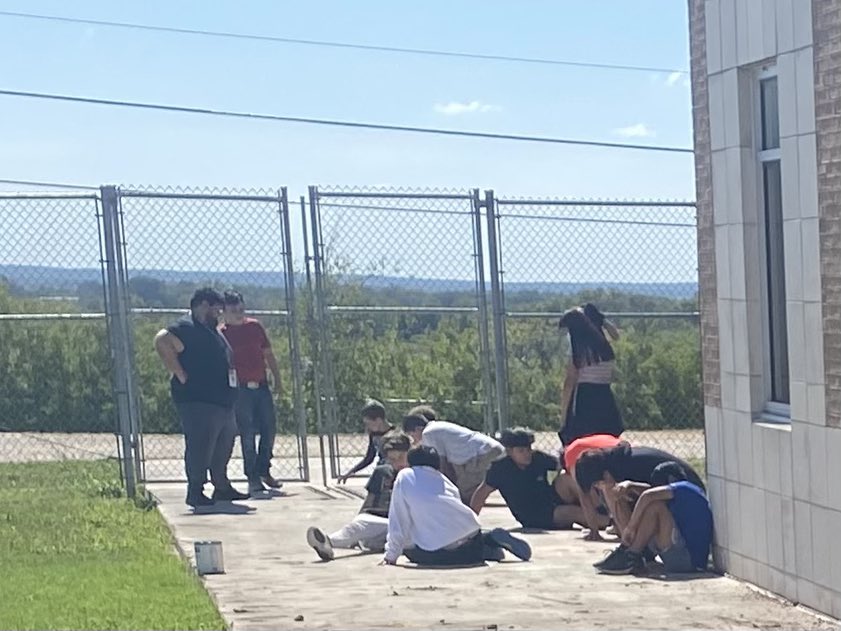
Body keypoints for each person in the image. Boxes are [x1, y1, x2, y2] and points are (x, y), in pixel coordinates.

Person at [153, 287, 248, 507]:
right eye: (216, 309)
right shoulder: (186, 327)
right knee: (200, 445)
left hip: (222, 401)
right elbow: (161, 340)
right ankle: (195, 490)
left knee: (223, 445)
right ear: (203, 305)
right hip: (198, 400)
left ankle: (221, 486)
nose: (219, 313)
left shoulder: (211, 330)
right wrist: (179, 373)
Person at [381, 445, 532, 567]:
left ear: (410, 463)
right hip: (471, 537)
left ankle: (487, 550)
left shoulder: (404, 476)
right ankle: (489, 541)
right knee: (461, 537)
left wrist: (391, 555)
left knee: (411, 550)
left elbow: (398, 519)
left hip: (440, 552)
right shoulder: (444, 480)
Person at [470, 427, 605, 531]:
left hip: (549, 498)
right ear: (510, 451)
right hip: (535, 515)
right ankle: (609, 522)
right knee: (573, 512)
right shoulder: (500, 469)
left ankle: (603, 509)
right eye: (521, 451)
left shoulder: (539, 458)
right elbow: (482, 494)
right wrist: (470, 522)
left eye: (528, 449)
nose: (527, 454)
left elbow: (562, 467)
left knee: (568, 479)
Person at [306, 432, 412, 561]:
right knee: (364, 528)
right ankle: (327, 545)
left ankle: (329, 541)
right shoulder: (382, 472)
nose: (398, 463)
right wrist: (359, 518)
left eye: (401, 457)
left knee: (363, 527)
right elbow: (369, 503)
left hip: (407, 524)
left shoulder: (417, 474)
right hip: (382, 522)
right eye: (393, 459)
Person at [595, 461, 713, 575]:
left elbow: (648, 495)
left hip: (688, 561)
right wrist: (630, 485)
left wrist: (630, 528)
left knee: (656, 506)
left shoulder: (684, 488)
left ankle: (632, 555)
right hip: (683, 556)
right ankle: (635, 552)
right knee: (647, 504)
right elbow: (649, 490)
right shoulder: (685, 493)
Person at [574, 442, 705, 541]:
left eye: (597, 484)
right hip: (676, 494)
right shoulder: (618, 463)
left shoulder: (629, 468)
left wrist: (630, 529)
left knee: (632, 504)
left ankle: (634, 552)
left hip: (690, 501)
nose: (599, 488)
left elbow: (652, 494)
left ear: (604, 474)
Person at [221, 290, 284, 495]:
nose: (238, 314)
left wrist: (278, 379)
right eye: (233, 310)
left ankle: (264, 469)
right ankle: (252, 477)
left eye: (241, 309)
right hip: (240, 390)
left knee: (269, 429)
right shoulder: (222, 333)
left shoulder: (255, 327)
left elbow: (268, 354)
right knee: (247, 434)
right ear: (224, 312)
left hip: (261, 385)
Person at [402, 412, 505, 503]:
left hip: (484, 454)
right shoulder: (436, 427)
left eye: (412, 436)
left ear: (418, 429)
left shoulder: (428, 433)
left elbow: (443, 464)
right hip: (487, 451)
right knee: (463, 491)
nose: (414, 441)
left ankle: (466, 519)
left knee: (464, 492)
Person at [558, 306, 624, 446]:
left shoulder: (579, 351)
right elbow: (616, 335)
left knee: (581, 440)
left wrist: (563, 416)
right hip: (605, 396)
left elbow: (570, 382)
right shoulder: (604, 348)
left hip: (584, 399)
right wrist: (603, 320)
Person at [337, 399, 395, 483]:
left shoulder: (395, 434)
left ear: (378, 420)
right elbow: (369, 457)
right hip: (381, 470)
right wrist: (350, 472)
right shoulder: (374, 434)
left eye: (368, 424)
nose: (367, 427)